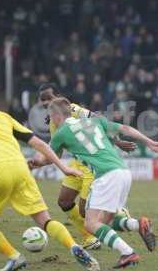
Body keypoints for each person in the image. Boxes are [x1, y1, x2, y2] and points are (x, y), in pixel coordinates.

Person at [31, 97, 158, 268]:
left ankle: (128, 252)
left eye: (50, 115)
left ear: (55, 115)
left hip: (105, 176)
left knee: (90, 223)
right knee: (104, 221)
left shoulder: (61, 132)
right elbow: (125, 128)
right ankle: (139, 224)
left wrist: (32, 163)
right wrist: (149, 142)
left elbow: (45, 156)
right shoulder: (95, 121)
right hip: (123, 171)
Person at [0, 88, 100, 271]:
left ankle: (14, 257)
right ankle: (73, 246)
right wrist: (63, 167)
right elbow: (39, 144)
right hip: (21, 169)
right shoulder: (3, 117)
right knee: (44, 220)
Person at [37, 83, 135, 250]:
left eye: (49, 98)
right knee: (64, 201)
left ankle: (120, 214)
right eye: (43, 100)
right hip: (75, 163)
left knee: (85, 211)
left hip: (90, 163)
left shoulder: (73, 110)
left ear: (58, 96)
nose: (46, 102)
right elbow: (57, 149)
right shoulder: (52, 119)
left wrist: (116, 141)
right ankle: (89, 238)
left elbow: (96, 121)